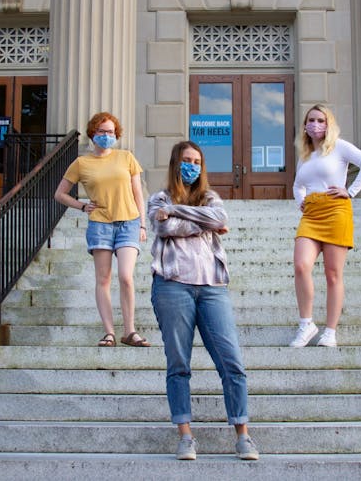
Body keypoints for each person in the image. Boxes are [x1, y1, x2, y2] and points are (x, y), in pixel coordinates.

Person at [148, 140, 259, 461]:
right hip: (172, 286)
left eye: (197, 161)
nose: (192, 166)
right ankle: (185, 436)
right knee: (178, 364)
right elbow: (164, 227)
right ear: (176, 162)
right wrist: (201, 221)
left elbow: (219, 217)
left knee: (232, 362)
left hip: (212, 287)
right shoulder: (159, 198)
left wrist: (179, 212)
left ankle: (243, 435)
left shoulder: (210, 197)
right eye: (187, 160)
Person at [54, 111, 150, 348]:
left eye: (111, 132)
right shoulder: (81, 163)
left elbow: (138, 193)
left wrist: (142, 224)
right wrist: (82, 206)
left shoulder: (126, 157)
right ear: (93, 133)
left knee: (126, 277)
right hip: (100, 225)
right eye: (102, 131)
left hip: (129, 222)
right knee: (103, 279)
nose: (107, 135)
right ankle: (109, 333)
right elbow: (60, 194)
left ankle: (130, 331)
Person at [289, 104, 361, 348]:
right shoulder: (305, 155)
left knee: (333, 274)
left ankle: (330, 331)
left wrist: (351, 191)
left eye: (321, 120)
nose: (315, 124)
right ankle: (306, 324)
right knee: (301, 265)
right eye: (311, 120)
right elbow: (297, 185)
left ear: (329, 124)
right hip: (311, 213)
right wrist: (300, 201)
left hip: (336, 210)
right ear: (305, 126)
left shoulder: (339, 147)